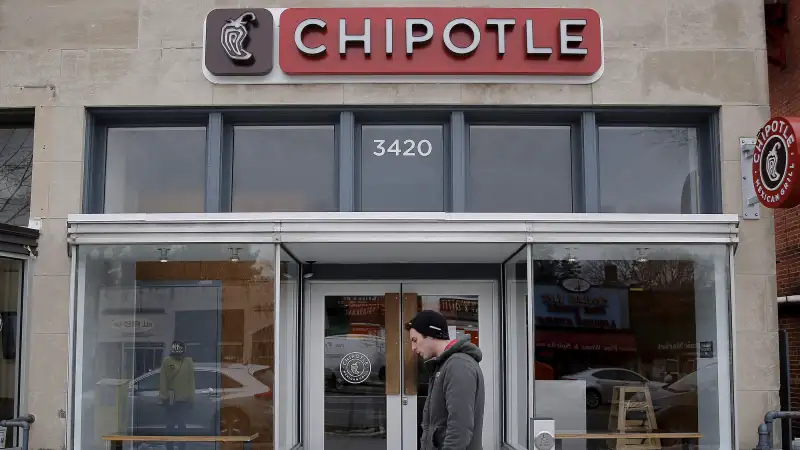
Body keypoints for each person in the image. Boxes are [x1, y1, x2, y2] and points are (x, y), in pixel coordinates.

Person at [406, 310, 485, 450]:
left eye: (415, 340)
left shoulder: (458, 366)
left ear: (431, 335)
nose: (413, 348)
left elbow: (459, 428)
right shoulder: (443, 366)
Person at [159, 340, 195, 450]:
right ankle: (169, 447)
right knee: (170, 426)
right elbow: (163, 380)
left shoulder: (188, 362)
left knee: (182, 426)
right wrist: (164, 397)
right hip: (171, 400)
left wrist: (191, 398)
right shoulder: (167, 361)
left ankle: (182, 447)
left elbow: (191, 382)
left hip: (183, 400)